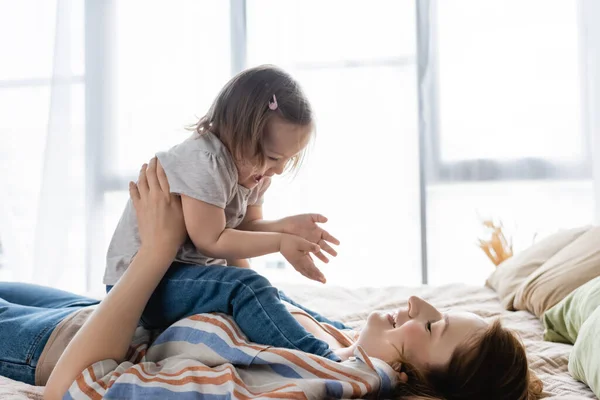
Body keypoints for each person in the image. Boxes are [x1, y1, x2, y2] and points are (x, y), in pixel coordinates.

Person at [0, 161, 540, 399]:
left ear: (417, 380)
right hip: (102, 315)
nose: (419, 302)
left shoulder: (318, 381)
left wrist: (159, 251)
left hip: (71, 346)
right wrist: (251, 212)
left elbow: (71, 389)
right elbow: (245, 315)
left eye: (434, 326)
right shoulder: (335, 347)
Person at [103, 65, 344, 360]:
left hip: (186, 275)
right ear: (237, 133)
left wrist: (284, 228)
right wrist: (280, 243)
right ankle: (326, 360)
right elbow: (212, 240)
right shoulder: (205, 160)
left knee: (268, 295)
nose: (279, 170)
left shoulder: (255, 169)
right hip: (143, 287)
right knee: (248, 287)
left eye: (287, 160)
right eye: (273, 157)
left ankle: (342, 335)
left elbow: (246, 226)